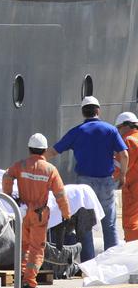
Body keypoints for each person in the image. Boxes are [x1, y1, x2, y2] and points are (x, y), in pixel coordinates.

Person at [47, 96, 128, 260]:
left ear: (83, 112)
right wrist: (123, 175)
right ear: (98, 111)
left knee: (85, 225)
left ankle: (88, 263)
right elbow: (124, 155)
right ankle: (111, 262)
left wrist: (35, 160)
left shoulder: (77, 132)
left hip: (84, 185)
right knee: (109, 224)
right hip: (106, 182)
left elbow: (54, 151)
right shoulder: (111, 130)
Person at [4, 133, 71, 288]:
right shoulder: (50, 170)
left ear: (29, 149)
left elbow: (7, 175)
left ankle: (21, 278)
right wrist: (66, 214)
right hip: (39, 215)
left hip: (23, 212)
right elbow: (60, 194)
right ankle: (30, 282)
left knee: (24, 247)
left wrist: (9, 197)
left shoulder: (20, 165)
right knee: (36, 249)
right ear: (44, 150)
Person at [117, 112, 138, 242]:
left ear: (125, 126)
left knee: (131, 221)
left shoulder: (128, 140)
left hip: (134, 187)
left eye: (118, 128)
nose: (118, 132)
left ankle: (131, 250)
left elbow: (123, 164)